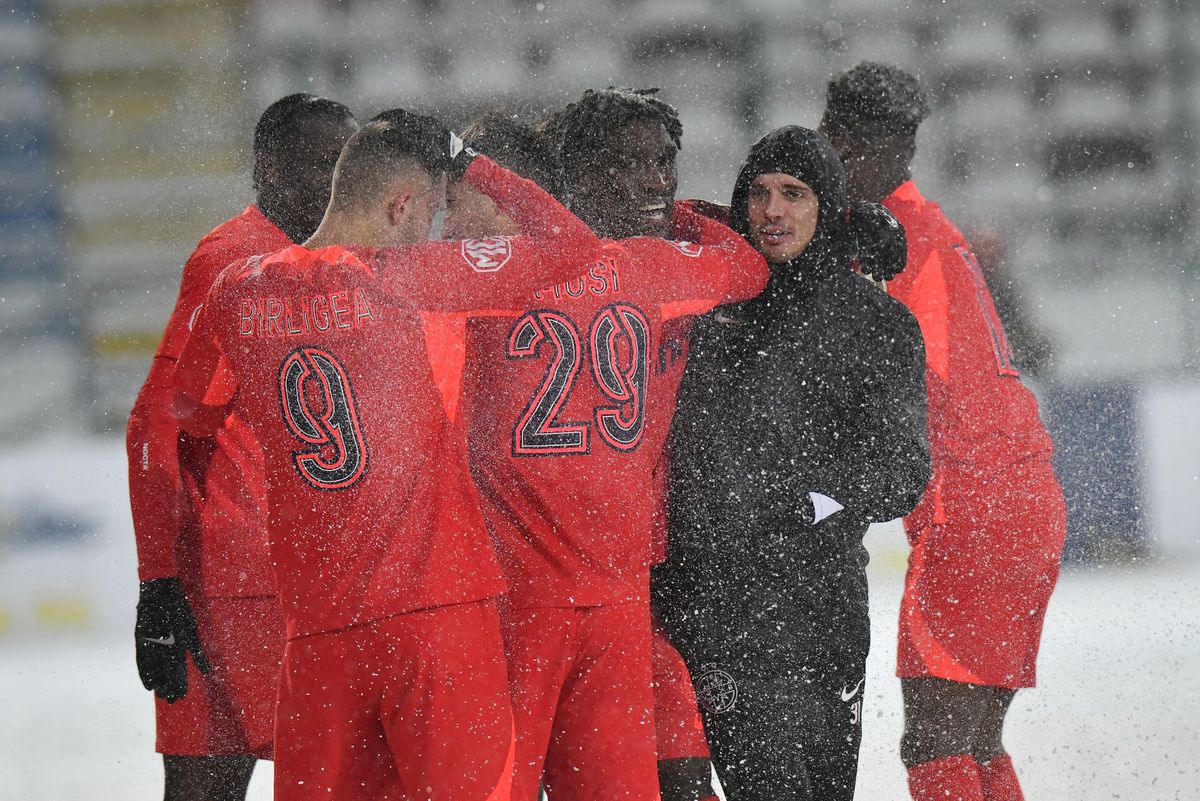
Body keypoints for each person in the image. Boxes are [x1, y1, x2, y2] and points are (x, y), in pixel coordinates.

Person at [170, 109, 606, 801]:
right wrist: (470, 161)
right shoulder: (419, 279)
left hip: (318, 632)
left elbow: (187, 412)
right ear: (402, 205)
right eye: (432, 211)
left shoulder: (237, 291)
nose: (435, 228)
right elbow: (575, 248)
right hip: (439, 618)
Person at [457, 88, 770, 801]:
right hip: (605, 591)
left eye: (663, 164)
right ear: (575, 177)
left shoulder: (496, 267)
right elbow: (748, 268)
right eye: (630, 166)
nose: (657, 181)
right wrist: (688, 220)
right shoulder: (657, 271)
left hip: (534, 593)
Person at [652, 124, 930, 801]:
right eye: (759, 193)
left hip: (826, 607)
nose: (772, 210)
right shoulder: (710, 301)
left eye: (794, 193)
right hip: (718, 606)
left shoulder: (876, 320)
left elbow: (903, 468)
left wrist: (815, 501)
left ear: (825, 206)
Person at [820, 61, 1067, 801]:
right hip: (1028, 496)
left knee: (932, 742)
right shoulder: (934, 227)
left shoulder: (880, 242)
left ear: (840, 138)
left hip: (972, 502)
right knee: (975, 740)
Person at [126, 92, 357, 801]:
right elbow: (156, 421)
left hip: (312, 570)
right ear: (270, 166)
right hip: (240, 577)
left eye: (348, 163)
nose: (338, 180)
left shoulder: (353, 255)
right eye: (323, 161)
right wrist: (159, 582)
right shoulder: (233, 257)